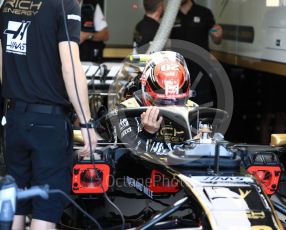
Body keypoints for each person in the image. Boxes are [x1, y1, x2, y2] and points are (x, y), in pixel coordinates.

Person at [0, 0, 97, 229]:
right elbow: (71, 67)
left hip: (14, 119)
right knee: (45, 210)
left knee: (16, 205)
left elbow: (2, 63)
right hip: (48, 123)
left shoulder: (8, 4)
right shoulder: (64, 5)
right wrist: (87, 124)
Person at [116, 51, 197, 153]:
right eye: (163, 101)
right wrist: (147, 132)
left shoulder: (194, 110)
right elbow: (126, 156)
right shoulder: (127, 110)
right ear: (145, 90)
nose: (170, 106)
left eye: (177, 100)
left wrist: (200, 142)